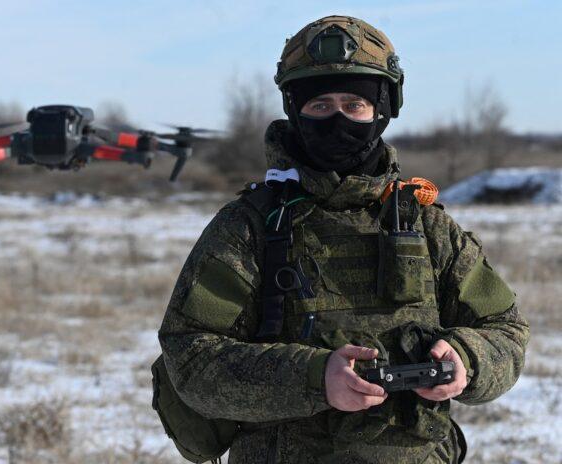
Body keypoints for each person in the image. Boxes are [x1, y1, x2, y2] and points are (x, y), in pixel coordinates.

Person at [157, 15, 528, 464]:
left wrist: (468, 358)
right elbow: (191, 358)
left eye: (354, 104)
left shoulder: (425, 225)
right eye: (320, 105)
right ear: (295, 110)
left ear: (383, 110)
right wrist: (314, 378)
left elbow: (506, 330)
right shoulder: (250, 226)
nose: (338, 118)